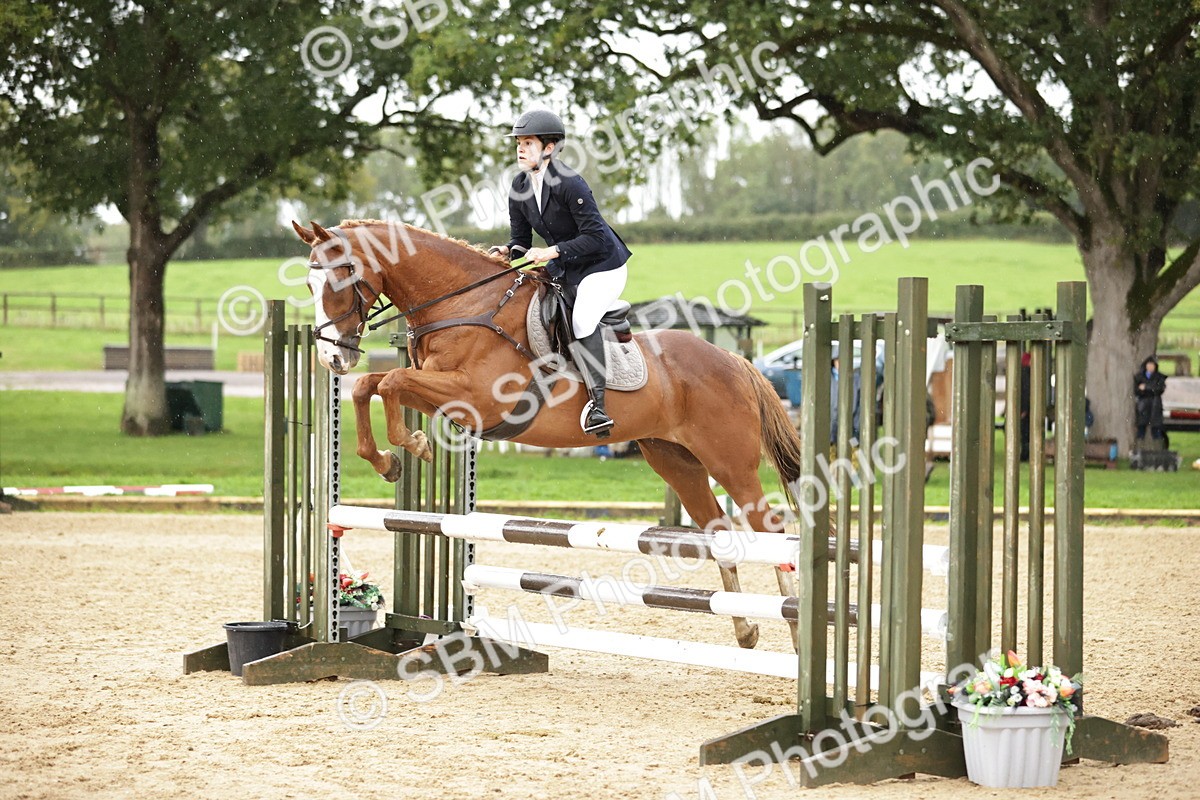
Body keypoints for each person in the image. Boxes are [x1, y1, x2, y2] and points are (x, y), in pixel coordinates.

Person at [490, 109, 632, 437]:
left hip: (603, 267)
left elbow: (596, 237)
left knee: (582, 318)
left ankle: (599, 406)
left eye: (528, 142)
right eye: (518, 143)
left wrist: (552, 251)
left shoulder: (570, 183)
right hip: (566, 266)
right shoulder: (520, 185)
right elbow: (521, 241)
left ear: (550, 148)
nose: (520, 149)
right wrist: (507, 251)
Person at [1133, 355, 1167, 443]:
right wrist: (1144, 390)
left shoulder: (1159, 377)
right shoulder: (1139, 377)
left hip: (1155, 405)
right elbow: (1137, 390)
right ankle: (1139, 449)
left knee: (1156, 429)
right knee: (1141, 429)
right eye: (1149, 364)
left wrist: (1146, 387)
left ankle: (1158, 449)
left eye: (1152, 365)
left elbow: (1159, 389)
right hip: (1143, 405)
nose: (1150, 367)